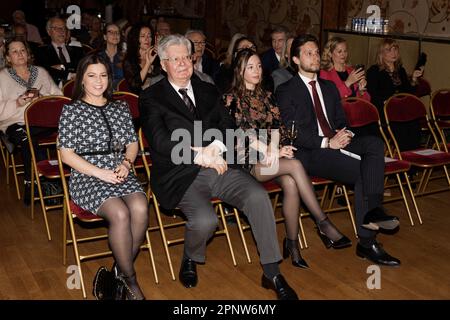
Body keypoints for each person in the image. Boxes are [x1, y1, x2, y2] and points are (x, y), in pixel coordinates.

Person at [139, 34, 298, 300]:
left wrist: (216, 147)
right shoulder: (151, 96)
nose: (182, 64)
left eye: (186, 58)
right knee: (205, 220)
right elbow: (159, 140)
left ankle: (272, 272)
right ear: (164, 64)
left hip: (220, 166)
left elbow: (227, 127)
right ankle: (190, 256)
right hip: (180, 173)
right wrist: (198, 154)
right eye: (174, 59)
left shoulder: (207, 89)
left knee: (258, 196)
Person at [276, 34, 401, 266]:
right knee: (363, 170)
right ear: (295, 59)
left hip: (335, 141)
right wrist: (327, 143)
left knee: (374, 143)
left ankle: (373, 211)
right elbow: (294, 132)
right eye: (308, 53)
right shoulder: (286, 90)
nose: (314, 57)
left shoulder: (329, 86)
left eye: (316, 52)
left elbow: (341, 120)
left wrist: (346, 134)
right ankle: (367, 242)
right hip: (310, 151)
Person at [223, 48, 352, 268]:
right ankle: (322, 221)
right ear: (240, 70)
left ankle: (292, 245)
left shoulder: (267, 95)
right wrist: (269, 151)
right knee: (294, 164)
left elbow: (277, 128)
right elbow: (241, 133)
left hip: (269, 157)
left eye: (259, 66)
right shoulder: (230, 99)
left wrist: (275, 149)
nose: (257, 71)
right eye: (250, 67)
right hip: (247, 161)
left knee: (291, 183)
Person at [58, 53, 148, 300]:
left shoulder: (120, 107)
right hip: (87, 174)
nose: (98, 82)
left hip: (119, 170)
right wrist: (100, 173)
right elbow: (66, 154)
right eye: (91, 76)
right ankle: (130, 280)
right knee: (120, 213)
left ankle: (118, 270)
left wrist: (127, 163)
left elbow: (132, 144)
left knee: (140, 206)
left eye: (103, 75)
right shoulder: (72, 110)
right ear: (82, 80)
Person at [0, 38, 62, 204]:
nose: (20, 54)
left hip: (42, 122)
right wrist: (17, 102)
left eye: (22, 50)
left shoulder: (40, 72)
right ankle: (48, 183)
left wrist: (42, 98)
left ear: (28, 53)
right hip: (16, 122)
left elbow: (59, 97)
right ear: (7, 57)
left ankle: (33, 185)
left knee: (29, 139)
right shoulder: (2, 77)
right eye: (14, 51)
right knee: (28, 140)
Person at [366, 38, 424, 151]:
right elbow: (372, 95)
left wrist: (413, 79)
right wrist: (389, 101)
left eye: (395, 49)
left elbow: (408, 93)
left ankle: (413, 157)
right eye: (389, 50)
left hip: (402, 110)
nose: (394, 53)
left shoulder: (400, 70)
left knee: (414, 122)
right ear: (381, 53)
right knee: (401, 126)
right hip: (385, 110)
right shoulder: (374, 71)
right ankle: (403, 156)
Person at [35, 17, 84, 86]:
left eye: (63, 28)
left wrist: (62, 66)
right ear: (49, 32)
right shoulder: (41, 51)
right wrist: (69, 75)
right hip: (52, 89)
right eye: (56, 28)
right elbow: (43, 71)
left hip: (75, 87)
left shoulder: (77, 50)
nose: (61, 31)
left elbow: (81, 67)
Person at [320, 36, 370, 101]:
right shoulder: (325, 73)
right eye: (339, 51)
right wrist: (347, 83)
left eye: (345, 51)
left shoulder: (351, 70)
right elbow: (328, 99)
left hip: (354, 110)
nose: (343, 54)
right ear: (330, 54)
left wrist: (361, 92)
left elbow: (367, 100)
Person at [123, 23, 163, 94]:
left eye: (149, 36)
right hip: (140, 98)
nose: (147, 39)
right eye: (143, 36)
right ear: (135, 38)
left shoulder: (156, 56)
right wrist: (148, 63)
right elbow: (135, 86)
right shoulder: (129, 60)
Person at [98, 23, 125, 90]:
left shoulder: (126, 58)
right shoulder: (98, 57)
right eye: (110, 32)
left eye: (117, 32)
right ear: (105, 36)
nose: (115, 34)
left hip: (122, 94)